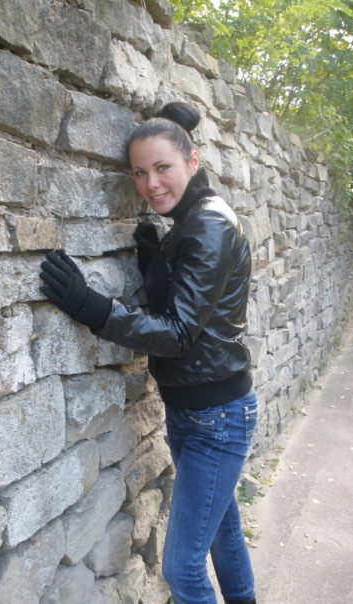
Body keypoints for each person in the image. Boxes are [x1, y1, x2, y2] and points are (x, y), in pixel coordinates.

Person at [39, 101, 257, 604]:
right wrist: (158, 265)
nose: (151, 184)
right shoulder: (194, 216)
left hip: (216, 416)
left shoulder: (208, 226)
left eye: (163, 167)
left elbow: (178, 333)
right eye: (139, 172)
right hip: (198, 410)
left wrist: (92, 306)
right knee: (223, 532)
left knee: (182, 569)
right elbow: (192, 306)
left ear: (193, 161)